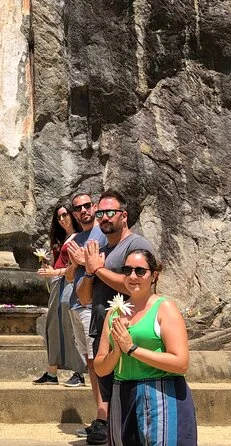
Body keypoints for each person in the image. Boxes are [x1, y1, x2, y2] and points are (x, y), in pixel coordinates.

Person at [94, 249, 198, 445]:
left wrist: (132, 349)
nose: (133, 276)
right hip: (122, 395)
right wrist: (117, 351)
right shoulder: (114, 313)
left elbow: (181, 363)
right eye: (127, 270)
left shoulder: (165, 308)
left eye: (140, 271)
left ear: (154, 275)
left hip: (162, 394)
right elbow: (100, 368)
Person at [76, 189, 154, 445]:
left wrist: (98, 268)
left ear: (124, 215)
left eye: (110, 212)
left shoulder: (135, 246)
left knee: (129, 395)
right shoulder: (102, 251)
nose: (104, 217)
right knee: (109, 392)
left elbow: (135, 286)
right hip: (102, 329)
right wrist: (90, 272)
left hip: (129, 330)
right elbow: (84, 298)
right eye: (100, 213)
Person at [64, 193, 108, 436]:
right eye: (78, 208)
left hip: (93, 305)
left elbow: (102, 263)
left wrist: (84, 261)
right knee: (90, 363)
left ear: (95, 207)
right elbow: (70, 276)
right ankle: (100, 416)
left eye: (87, 206)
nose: (83, 211)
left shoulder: (103, 233)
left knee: (98, 361)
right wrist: (76, 262)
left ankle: (104, 418)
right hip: (76, 303)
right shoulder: (77, 238)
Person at [33, 204, 85, 386]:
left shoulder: (79, 238)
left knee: (70, 325)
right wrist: (49, 267)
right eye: (59, 217)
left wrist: (55, 272)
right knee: (53, 326)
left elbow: (76, 266)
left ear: (72, 215)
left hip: (69, 283)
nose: (62, 219)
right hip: (57, 283)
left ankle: (79, 372)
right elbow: (59, 263)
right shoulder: (62, 239)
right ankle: (52, 372)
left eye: (65, 215)